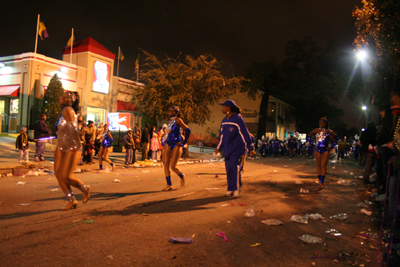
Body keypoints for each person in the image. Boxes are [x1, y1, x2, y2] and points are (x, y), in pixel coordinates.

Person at [54, 91, 91, 210]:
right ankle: (71, 200)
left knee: (66, 176)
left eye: (66, 97)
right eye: (62, 96)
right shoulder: (63, 112)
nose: (62, 98)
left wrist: (76, 146)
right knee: (58, 174)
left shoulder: (68, 110)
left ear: (71, 101)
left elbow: (73, 129)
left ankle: (84, 188)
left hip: (72, 146)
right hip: (61, 145)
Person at [215, 100, 255, 197]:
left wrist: (250, 147)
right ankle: (230, 189)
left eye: (224, 106)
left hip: (237, 148)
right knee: (228, 169)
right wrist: (218, 147)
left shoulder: (238, 118)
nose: (222, 108)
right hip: (227, 149)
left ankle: (236, 189)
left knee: (234, 167)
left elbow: (244, 133)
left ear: (228, 108)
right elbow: (221, 136)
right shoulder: (224, 121)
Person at [162, 106, 191, 191]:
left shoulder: (178, 120)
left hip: (176, 144)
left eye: (172, 111)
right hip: (168, 143)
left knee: (173, 166)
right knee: (165, 163)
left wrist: (184, 142)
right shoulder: (170, 121)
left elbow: (188, 130)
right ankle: (169, 184)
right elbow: (167, 133)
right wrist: (163, 139)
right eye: (169, 111)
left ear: (176, 113)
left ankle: (181, 176)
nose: (170, 112)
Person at [307, 117, 338, 190]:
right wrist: (313, 144)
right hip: (317, 149)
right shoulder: (316, 130)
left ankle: (321, 182)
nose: (321, 124)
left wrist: (331, 146)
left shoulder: (329, 131)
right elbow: (309, 136)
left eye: (323, 123)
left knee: (323, 165)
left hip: (325, 149)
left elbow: (336, 139)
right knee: (318, 165)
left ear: (325, 124)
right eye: (320, 123)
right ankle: (319, 180)